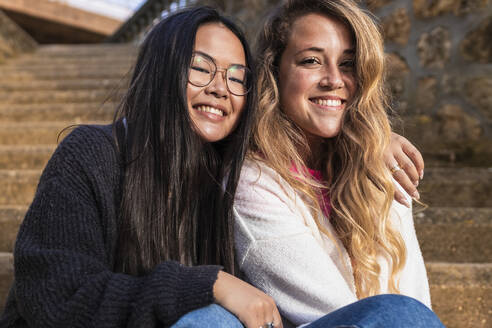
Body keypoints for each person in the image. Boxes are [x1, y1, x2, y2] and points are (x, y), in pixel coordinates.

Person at [1, 4, 429, 328]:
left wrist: (373, 137)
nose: (220, 89)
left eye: (237, 76)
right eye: (201, 69)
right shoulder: (92, 154)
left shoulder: (226, 171)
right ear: (162, 72)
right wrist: (209, 284)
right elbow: (55, 294)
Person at [233, 0, 444, 327]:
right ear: (275, 72)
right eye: (312, 61)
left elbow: (412, 294)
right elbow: (339, 313)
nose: (334, 79)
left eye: (348, 64)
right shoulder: (252, 182)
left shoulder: (377, 167)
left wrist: (374, 144)